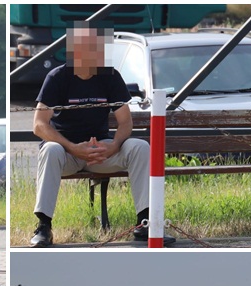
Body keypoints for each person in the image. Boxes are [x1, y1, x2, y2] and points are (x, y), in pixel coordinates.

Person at [30, 22, 172, 247]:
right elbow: (39, 125)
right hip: (67, 154)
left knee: (140, 147)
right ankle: (43, 226)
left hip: (101, 152)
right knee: (50, 148)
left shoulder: (110, 76)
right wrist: (73, 147)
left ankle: (145, 224)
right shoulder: (57, 77)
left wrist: (114, 145)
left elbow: (126, 122)